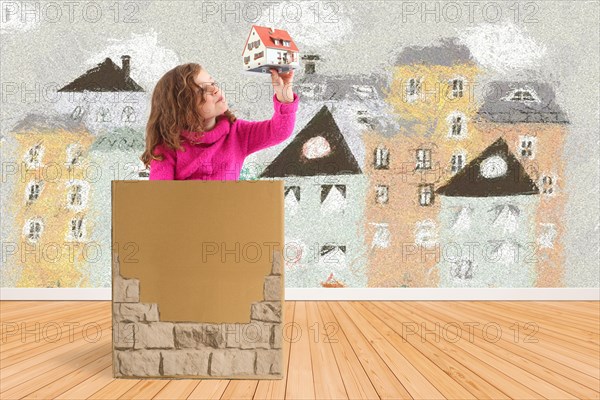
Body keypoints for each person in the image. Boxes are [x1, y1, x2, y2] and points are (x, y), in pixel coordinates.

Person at [140, 63, 299, 180]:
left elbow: (279, 131)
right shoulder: (167, 147)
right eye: (202, 90)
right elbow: (160, 197)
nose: (214, 89)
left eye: (212, 83)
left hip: (226, 220)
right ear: (182, 108)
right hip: (186, 221)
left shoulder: (237, 133)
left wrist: (285, 98)